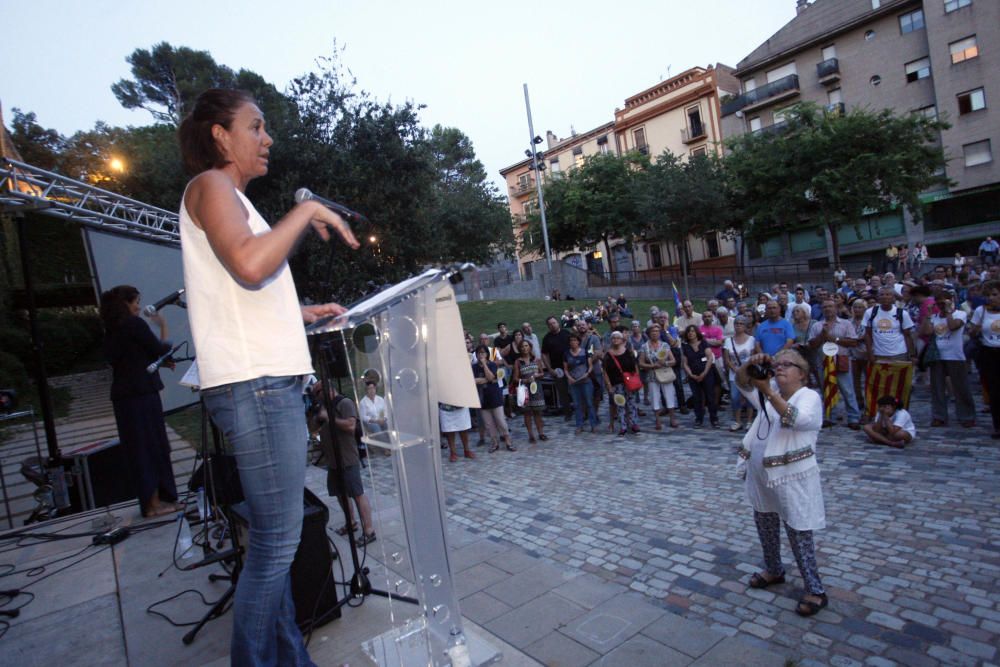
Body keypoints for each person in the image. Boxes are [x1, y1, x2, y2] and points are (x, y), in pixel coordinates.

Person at [179, 89, 359, 665]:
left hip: (261, 382)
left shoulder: (233, 199)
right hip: (255, 386)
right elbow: (253, 264)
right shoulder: (211, 186)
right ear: (219, 135)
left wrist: (300, 311)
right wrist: (306, 212)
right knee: (276, 547)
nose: (267, 138)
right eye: (254, 126)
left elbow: (241, 288)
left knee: (275, 550)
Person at [734, 349, 828, 617]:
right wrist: (750, 364)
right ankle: (774, 569)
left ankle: (815, 589)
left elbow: (796, 419)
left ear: (803, 373)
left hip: (792, 478)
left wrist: (768, 391)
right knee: (765, 525)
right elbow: (742, 382)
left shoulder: (809, 397)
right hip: (762, 477)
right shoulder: (770, 388)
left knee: (799, 532)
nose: (780, 368)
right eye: (778, 364)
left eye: (789, 364)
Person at [99, 285, 178, 518]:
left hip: (125, 397)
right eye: (136, 301)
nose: (139, 306)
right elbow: (158, 350)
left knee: (141, 448)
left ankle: (157, 500)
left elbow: (132, 357)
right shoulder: (134, 324)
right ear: (125, 303)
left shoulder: (112, 329)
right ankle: (154, 505)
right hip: (140, 396)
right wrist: (162, 325)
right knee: (150, 447)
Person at [310, 382, 375, 544]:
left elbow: (350, 426)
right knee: (340, 493)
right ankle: (351, 523)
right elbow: (313, 429)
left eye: (317, 393)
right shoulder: (323, 408)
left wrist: (328, 418)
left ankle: (369, 531)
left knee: (357, 494)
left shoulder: (344, 403)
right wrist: (316, 416)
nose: (316, 397)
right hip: (333, 462)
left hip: (347, 459)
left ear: (327, 390)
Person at [920, 294, 976, 428]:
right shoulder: (934, 317)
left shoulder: (960, 314)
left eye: (943, 303)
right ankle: (939, 416)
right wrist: (928, 315)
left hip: (955, 356)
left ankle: (967, 415)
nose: (941, 306)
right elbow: (926, 332)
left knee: (961, 388)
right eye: (938, 304)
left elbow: (953, 326)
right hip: (937, 357)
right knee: (937, 388)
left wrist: (949, 311)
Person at [808, 299, 862, 429]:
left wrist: (834, 339)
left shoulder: (846, 324)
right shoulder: (816, 326)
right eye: (825, 307)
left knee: (847, 390)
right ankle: (830, 417)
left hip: (841, 360)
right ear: (822, 310)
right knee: (826, 389)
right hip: (823, 362)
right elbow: (812, 345)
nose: (827, 309)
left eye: (830, 306)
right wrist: (822, 335)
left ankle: (854, 417)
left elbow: (853, 342)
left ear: (836, 308)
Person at [968, 281, 1000, 439]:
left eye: (994, 294)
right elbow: (971, 332)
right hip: (989, 353)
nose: (991, 298)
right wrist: (975, 329)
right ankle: (998, 425)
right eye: (988, 295)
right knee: (994, 390)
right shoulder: (981, 311)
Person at [473, 345, 516, 452]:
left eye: (483, 353)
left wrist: (484, 365)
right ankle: (494, 443)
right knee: (488, 424)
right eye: (479, 353)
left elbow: (492, 377)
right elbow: (473, 381)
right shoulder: (473, 367)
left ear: (487, 354)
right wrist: (487, 379)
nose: (481, 355)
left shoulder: (492, 364)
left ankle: (508, 440)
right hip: (482, 398)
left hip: (494, 396)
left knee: (500, 420)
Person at [638, 324, 678, 430]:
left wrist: (665, 363)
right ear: (649, 334)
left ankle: (672, 418)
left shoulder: (664, 345)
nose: (655, 333)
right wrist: (652, 366)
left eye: (657, 331)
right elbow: (641, 363)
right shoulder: (644, 346)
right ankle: (657, 420)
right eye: (652, 331)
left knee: (669, 395)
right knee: (654, 397)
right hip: (652, 375)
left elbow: (673, 360)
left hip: (665, 373)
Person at [864, 287, 916, 363]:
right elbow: (867, 334)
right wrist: (870, 354)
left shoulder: (902, 313)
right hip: (878, 354)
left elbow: (907, 335)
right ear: (878, 298)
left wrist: (911, 355)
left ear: (893, 298)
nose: (885, 297)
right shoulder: (870, 312)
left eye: (888, 294)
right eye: (882, 294)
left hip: (899, 354)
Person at [681, 325, 719, 429]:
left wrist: (704, 373)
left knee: (710, 397)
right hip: (693, 375)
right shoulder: (685, 346)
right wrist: (691, 375)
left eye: (693, 331)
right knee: (697, 398)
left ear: (696, 332)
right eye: (689, 331)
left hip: (707, 373)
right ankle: (699, 419)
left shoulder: (703, 343)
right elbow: (685, 363)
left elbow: (710, 358)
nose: (691, 333)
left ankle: (714, 418)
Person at [603, 331, 640, 435]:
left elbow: (635, 366)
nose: (615, 340)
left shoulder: (628, 352)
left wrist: (637, 379)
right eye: (613, 338)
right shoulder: (608, 354)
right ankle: (623, 425)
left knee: (631, 403)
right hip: (616, 383)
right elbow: (605, 371)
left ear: (622, 340)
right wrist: (609, 385)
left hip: (629, 383)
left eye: (617, 338)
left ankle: (634, 424)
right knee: (620, 404)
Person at [724, 316, 757, 431]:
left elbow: (753, 357)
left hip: (748, 373)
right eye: (736, 323)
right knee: (735, 397)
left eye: (741, 323)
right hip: (734, 374)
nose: (738, 325)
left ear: (745, 326)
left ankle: (749, 421)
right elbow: (727, 359)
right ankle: (738, 421)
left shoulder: (751, 340)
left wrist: (744, 369)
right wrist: (736, 370)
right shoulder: (728, 341)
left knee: (749, 397)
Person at [512, 340, 548, 442]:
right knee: (527, 413)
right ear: (520, 349)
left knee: (537, 412)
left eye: (526, 346)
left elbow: (542, 373)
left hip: (536, 388)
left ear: (530, 347)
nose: (524, 348)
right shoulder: (518, 362)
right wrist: (525, 380)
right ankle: (531, 435)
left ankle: (541, 433)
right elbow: (515, 378)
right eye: (522, 346)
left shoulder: (536, 359)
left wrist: (538, 375)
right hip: (525, 390)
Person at [563, 334, 598, 434]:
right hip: (574, 382)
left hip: (585, 381)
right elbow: (565, 369)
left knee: (589, 403)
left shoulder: (585, 352)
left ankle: (593, 424)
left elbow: (590, 366)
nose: (573, 342)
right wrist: (569, 378)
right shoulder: (566, 354)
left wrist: (587, 374)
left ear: (578, 342)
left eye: (574, 340)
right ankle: (579, 425)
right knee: (577, 404)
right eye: (571, 340)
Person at [541, 315, 573, 417]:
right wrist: (549, 369)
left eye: (554, 323)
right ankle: (567, 413)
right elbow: (544, 354)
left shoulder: (566, 333)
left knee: (575, 389)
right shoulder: (547, 338)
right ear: (548, 326)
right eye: (550, 324)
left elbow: (575, 346)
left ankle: (580, 410)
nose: (552, 325)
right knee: (563, 392)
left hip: (571, 367)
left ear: (558, 323)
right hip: (558, 369)